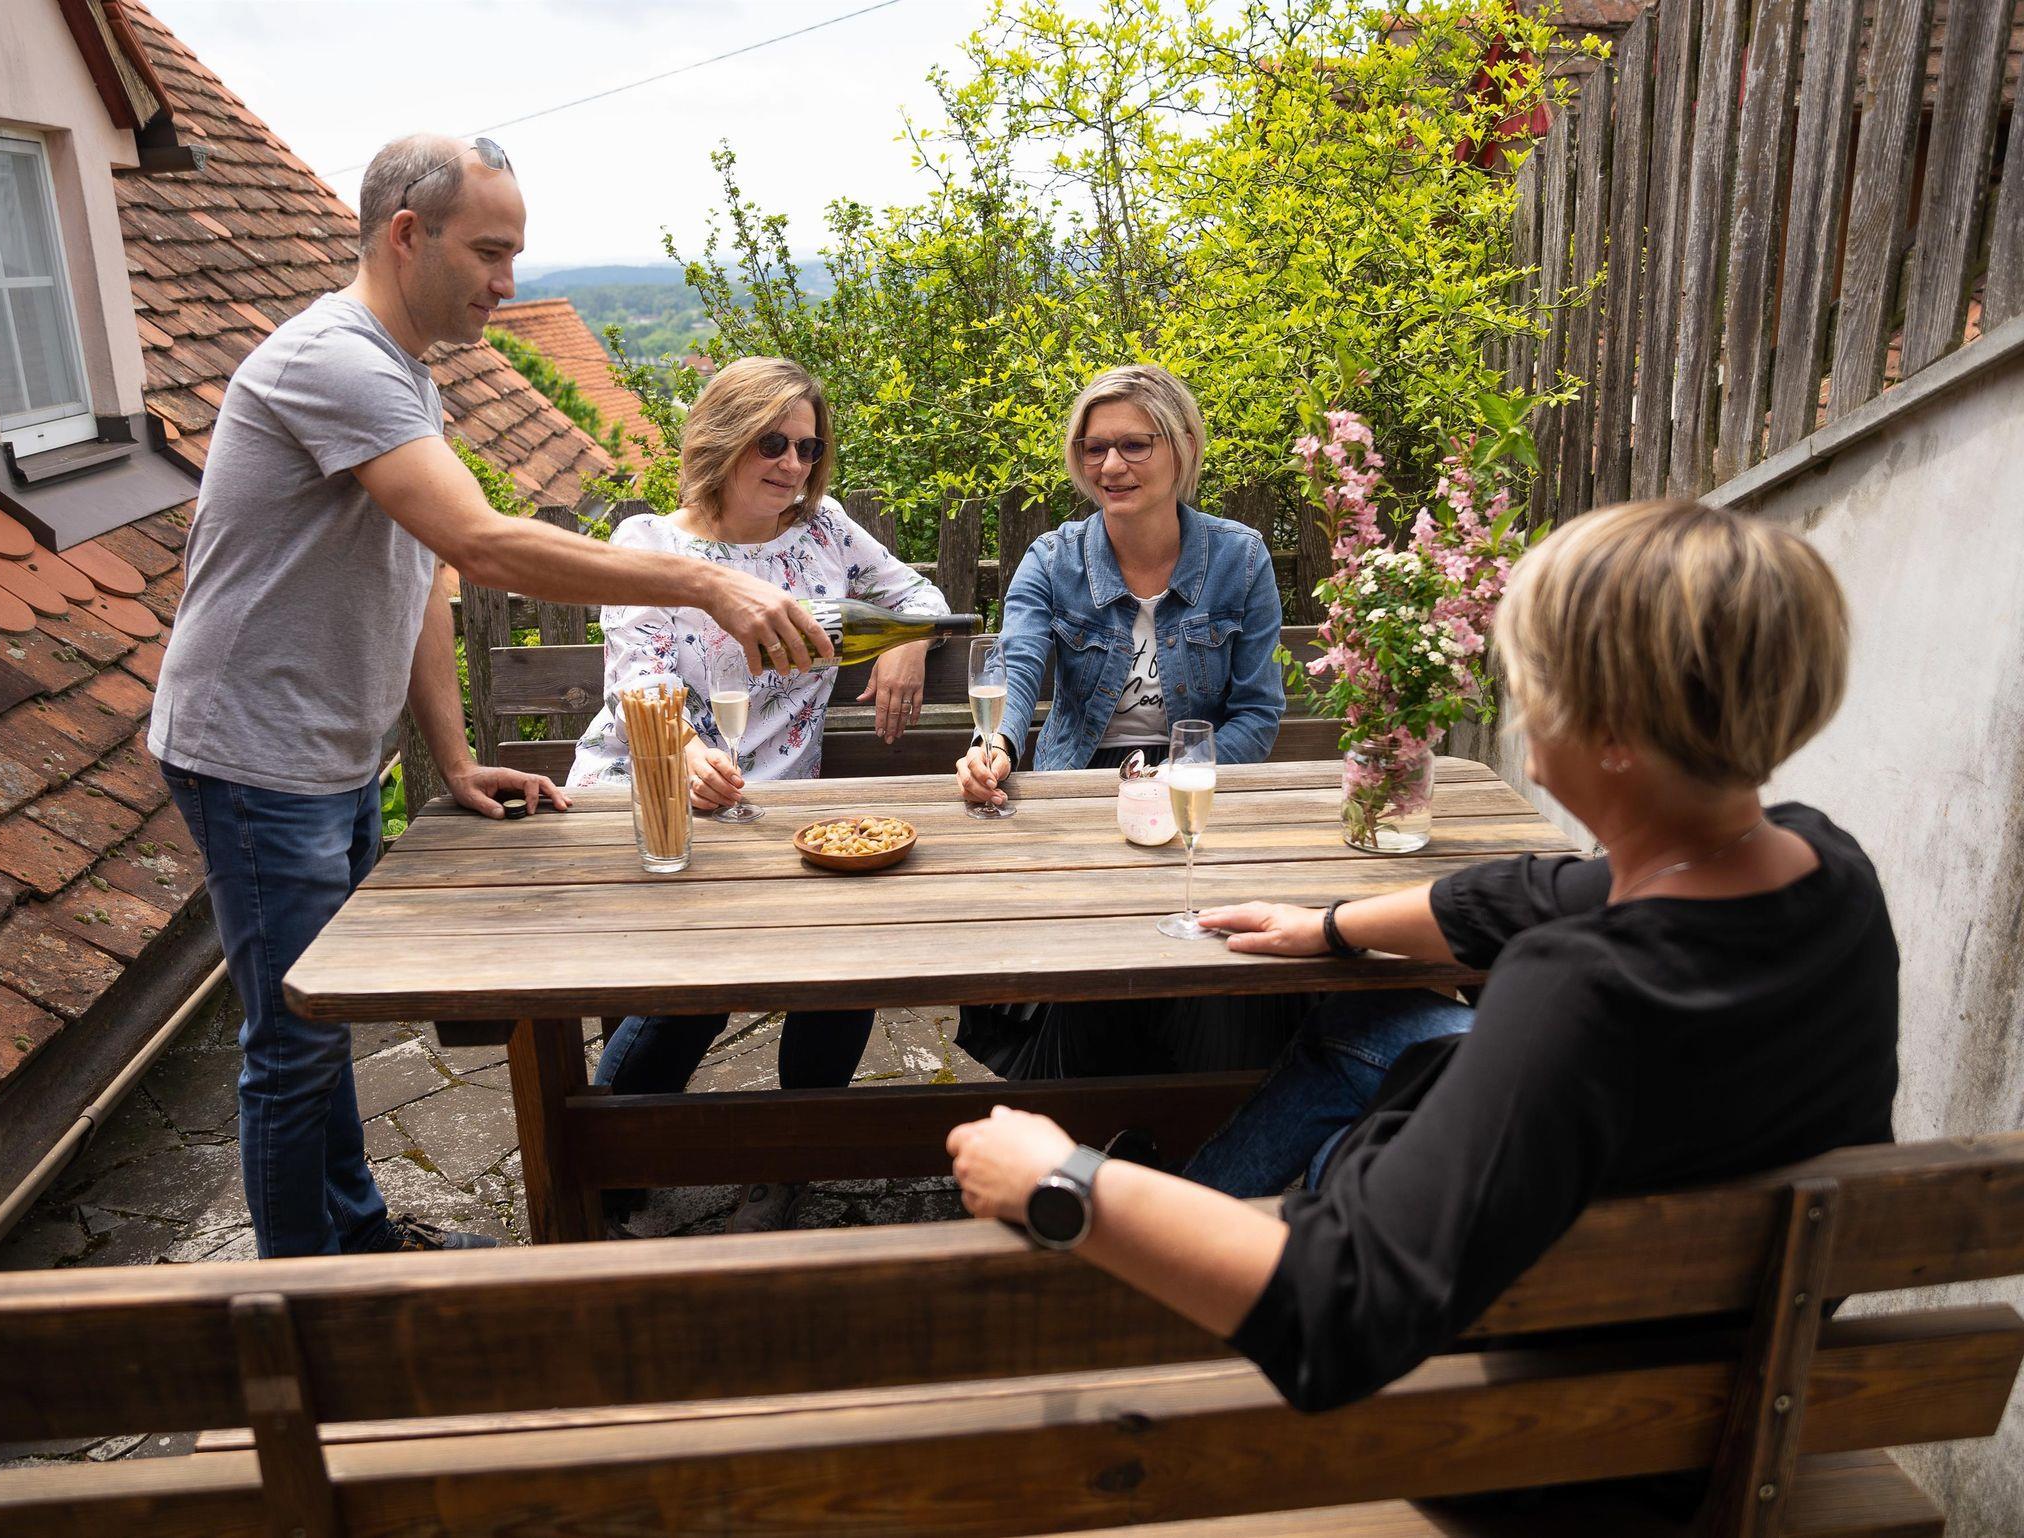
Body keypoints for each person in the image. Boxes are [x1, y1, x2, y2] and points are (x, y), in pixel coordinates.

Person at [948, 498, 1898, 1415]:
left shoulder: (1571, 992)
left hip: (1551, 1423)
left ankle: (1119, 1287)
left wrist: (1067, 1181)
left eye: (1535, 678)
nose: (1518, 704)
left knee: (1352, 1123)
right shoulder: (1826, 870)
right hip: (1730, 1362)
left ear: (1611, 733)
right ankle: (1185, 1210)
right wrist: (1329, 929)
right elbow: (1544, 890)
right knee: (1368, 1015)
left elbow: (1343, 1308)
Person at [150, 134, 832, 1260]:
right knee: (294, 1043)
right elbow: (481, 541)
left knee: (325, 1019)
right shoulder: (337, 361)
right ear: (405, 235)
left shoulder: (403, 374)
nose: (508, 282)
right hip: (256, 754)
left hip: (327, 753)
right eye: (489, 251)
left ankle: (358, 1243)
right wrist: (703, 579)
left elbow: (425, 568)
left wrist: (453, 756)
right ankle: (304, 1306)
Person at [570, 356, 950, 1233]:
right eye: (772, 442)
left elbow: (919, 593)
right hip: (652, 794)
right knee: (697, 981)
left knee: (846, 963)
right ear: (724, 437)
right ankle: (607, 1173)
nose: (793, 465)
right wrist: (682, 754)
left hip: (774, 815)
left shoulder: (824, 532)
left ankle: (791, 1154)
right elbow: (637, 681)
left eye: (808, 448)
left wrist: (907, 640)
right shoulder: (650, 543)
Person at [950, 365, 1301, 1082]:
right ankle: (1078, 1113)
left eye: (1134, 445)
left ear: (1183, 446)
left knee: (1211, 956)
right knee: (1090, 958)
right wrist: (996, 742)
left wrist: (1178, 777)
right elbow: (1018, 665)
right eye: (1094, 447)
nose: (1111, 465)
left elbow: (1258, 713)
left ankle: (1183, 1116)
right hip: (1081, 787)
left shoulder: (1239, 559)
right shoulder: (1053, 560)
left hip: (1197, 784)